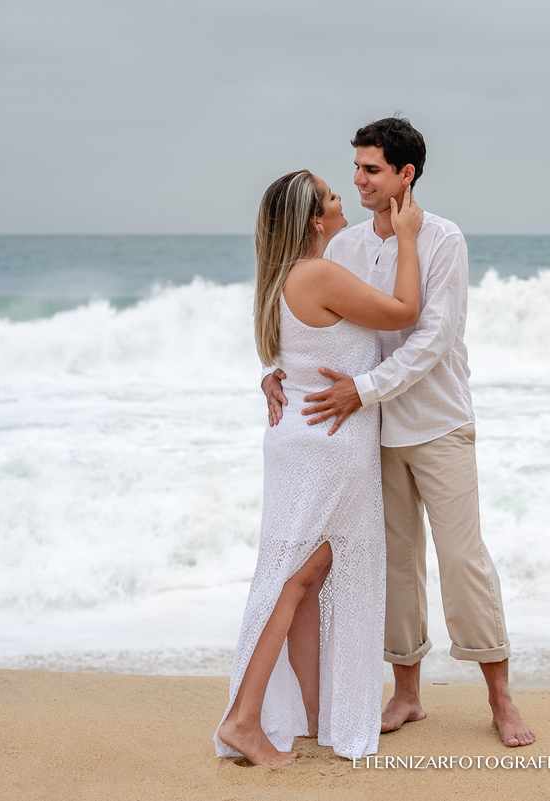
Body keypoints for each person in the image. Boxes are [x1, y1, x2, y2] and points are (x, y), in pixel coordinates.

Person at [262, 117, 535, 747]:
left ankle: (500, 697)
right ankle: (407, 695)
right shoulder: (344, 247)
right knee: (396, 565)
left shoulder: (443, 239)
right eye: (356, 168)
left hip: (438, 423)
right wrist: (276, 372)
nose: (358, 180)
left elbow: (433, 337)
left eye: (371, 169)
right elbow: (320, 325)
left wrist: (363, 388)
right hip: (370, 432)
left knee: (463, 560)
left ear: (404, 174)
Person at [215, 170, 424, 765]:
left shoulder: (282, 277)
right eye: (332, 197)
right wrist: (408, 237)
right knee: (298, 580)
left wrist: (269, 376)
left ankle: (310, 717)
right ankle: (243, 720)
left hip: (302, 443)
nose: (341, 200)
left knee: (303, 585)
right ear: (314, 220)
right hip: (328, 446)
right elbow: (404, 311)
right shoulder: (317, 274)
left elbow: (293, 356)